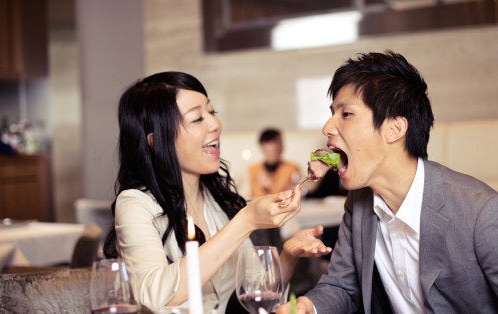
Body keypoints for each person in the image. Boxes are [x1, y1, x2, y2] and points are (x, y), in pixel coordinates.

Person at [277, 51, 498, 313]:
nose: (327, 128)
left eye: (346, 114)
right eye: (332, 114)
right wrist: (308, 307)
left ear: (395, 128)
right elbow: (342, 287)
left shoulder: (481, 211)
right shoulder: (360, 203)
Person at [102, 72, 330, 313]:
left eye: (212, 113)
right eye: (197, 118)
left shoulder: (216, 199)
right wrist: (246, 221)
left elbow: (254, 292)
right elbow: (154, 296)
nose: (215, 124)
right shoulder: (136, 204)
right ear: (157, 140)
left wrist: (288, 255)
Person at [248, 128, 301, 199]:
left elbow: (293, 193)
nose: (277, 147)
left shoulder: (293, 168)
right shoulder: (253, 169)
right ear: (262, 146)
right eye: (272, 143)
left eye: (279, 142)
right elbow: (253, 196)